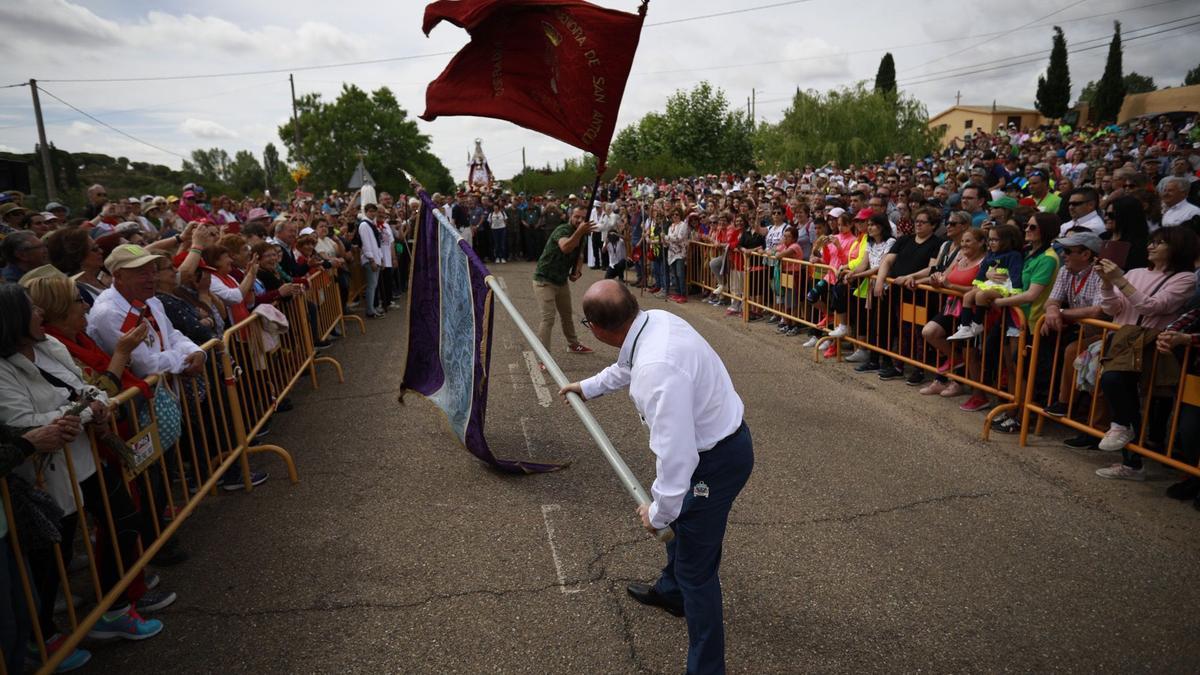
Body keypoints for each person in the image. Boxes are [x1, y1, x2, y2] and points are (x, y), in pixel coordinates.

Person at [559, 280, 752, 675]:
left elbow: (677, 458)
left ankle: (706, 667)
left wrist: (659, 514)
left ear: (596, 328)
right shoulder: (653, 322)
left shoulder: (657, 368)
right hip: (711, 448)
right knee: (679, 517)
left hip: (713, 463)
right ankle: (671, 591)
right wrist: (586, 387)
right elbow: (623, 368)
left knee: (698, 568)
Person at [1092, 226, 1198, 476]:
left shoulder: (1185, 278)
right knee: (1123, 394)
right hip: (1123, 339)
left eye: (1159, 243)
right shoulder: (1136, 272)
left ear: (1177, 248)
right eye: (1151, 241)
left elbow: (1153, 306)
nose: (1151, 246)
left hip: (1151, 346)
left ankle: (1132, 452)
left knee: (1134, 395)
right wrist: (1107, 284)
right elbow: (1111, 308)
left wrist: (1118, 279)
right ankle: (1130, 460)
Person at [532, 205, 595, 355]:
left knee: (567, 315)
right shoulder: (563, 230)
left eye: (582, 218)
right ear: (570, 216)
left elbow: (579, 255)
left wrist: (577, 272)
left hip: (561, 281)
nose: (579, 220)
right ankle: (543, 355)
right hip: (544, 280)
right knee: (548, 318)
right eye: (576, 216)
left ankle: (573, 344)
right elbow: (565, 247)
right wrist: (580, 232)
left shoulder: (582, 235)